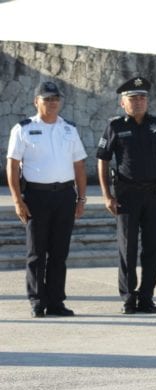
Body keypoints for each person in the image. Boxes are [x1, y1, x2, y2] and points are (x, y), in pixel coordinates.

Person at [6, 81, 87, 318]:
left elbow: (79, 165)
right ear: (36, 102)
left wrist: (81, 198)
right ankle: (37, 301)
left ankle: (55, 302)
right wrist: (17, 200)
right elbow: (12, 166)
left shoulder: (69, 129)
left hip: (64, 195)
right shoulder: (23, 129)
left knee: (59, 253)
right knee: (36, 252)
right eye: (47, 99)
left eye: (56, 99)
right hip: (36, 196)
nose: (52, 103)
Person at [96, 76, 156, 314]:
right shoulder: (115, 126)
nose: (139, 102)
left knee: (152, 248)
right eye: (133, 98)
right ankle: (129, 298)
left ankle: (147, 297)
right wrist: (107, 195)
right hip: (127, 196)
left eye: (142, 98)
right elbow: (102, 160)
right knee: (127, 249)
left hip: (154, 195)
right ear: (123, 103)